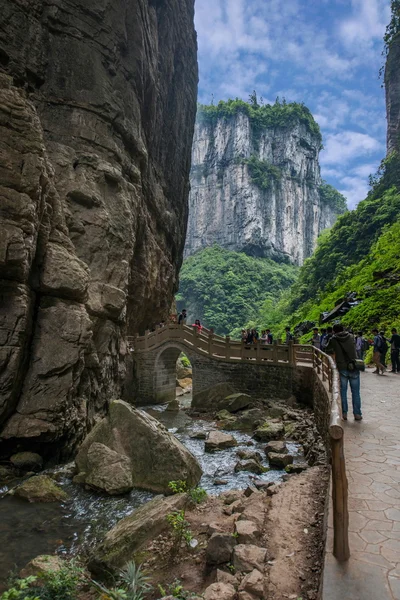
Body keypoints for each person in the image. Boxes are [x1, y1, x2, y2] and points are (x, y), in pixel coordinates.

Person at [325, 324, 362, 421]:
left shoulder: (333, 339)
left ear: (334, 331)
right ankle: (357, 414)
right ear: (343, 329)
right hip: (353, 366)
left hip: (342, 367)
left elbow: (326, 348)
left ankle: (344, 414)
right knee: (356, 392)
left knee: (343, 392)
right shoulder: (351, 336)